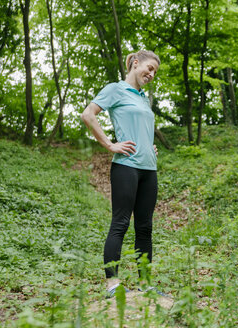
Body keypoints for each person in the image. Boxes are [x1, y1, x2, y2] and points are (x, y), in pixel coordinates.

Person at [81, 50, 161, 298]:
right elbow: (88, 115)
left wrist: (150, 145)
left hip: (149, 170)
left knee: (145, 228)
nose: (151, 73)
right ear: (135, 63)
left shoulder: (142, 98)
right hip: (126, 167)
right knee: (120, 224)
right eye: (149, 68)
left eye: (155, 72)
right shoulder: (116, 89)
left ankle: (145, 284)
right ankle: (112, 285)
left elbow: (141, 129)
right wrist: (109, 144)